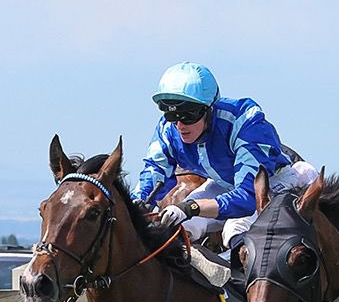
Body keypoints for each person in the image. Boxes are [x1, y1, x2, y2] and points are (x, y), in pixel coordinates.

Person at [134, 62, 316, 249]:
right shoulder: (168, 129)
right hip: (224, 185)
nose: (180, 125)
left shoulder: (245, 122)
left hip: (272, 183)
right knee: (179, 225)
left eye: (188, 115)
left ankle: (240, 276)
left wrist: (192, 207)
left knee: (234, 227)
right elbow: (155, 170)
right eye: (172, 116)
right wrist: (136, 202)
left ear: (209, 109)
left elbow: (247, 197)